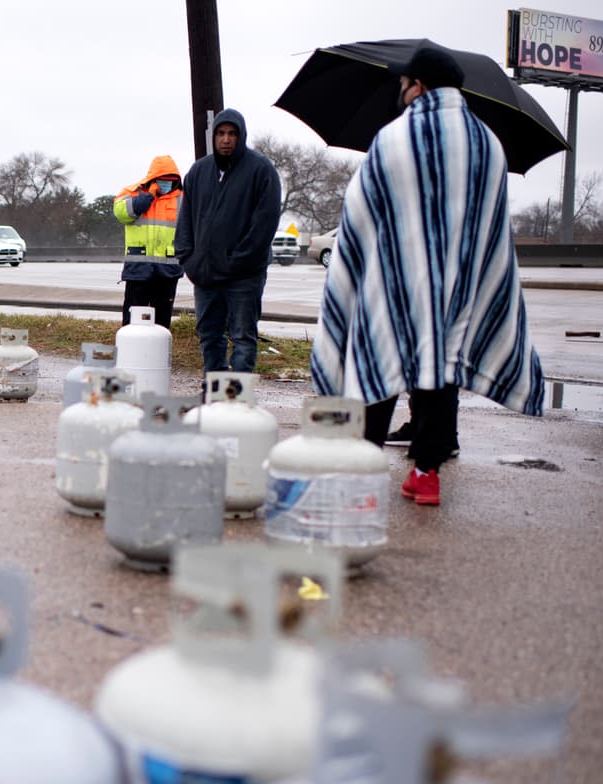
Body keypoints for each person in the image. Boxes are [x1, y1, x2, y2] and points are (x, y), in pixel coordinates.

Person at [310, 45, 544, 507]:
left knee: (379, 361)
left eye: (403, 85)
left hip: (396, 281)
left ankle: (362, 473)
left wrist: (354, 271)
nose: (400, 92)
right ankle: (426, 473)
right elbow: (492, 227)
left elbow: (359, 213)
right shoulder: (489, 144)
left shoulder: (395, 138)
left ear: (419, 86)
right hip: (459, 287)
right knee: (440, 366)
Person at [174, 109, 282, 374]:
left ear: (241, 136)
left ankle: (238, 399)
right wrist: (188, 258)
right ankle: (214, 394)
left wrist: (237, 260)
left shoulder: (261, 170)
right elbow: (185, 218)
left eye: (232, 134)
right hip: (206, 275)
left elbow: (264, 225)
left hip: (243, 276)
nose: (226, 139)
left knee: (243, 337)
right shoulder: (199, 171)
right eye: (221, 133)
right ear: (214, 136)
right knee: (209, 335)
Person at [113, 155, 183, 328]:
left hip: (168, 271)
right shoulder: (132, 193)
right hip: (138, 271)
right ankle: (131, 353)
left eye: (171, 180)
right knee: (133, 323)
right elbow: (121, 213)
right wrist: (147, 197)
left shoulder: (183, 199)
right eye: (162, 180)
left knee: (161, 323)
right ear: (152, 179)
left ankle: (158, 354)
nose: (166, 184)